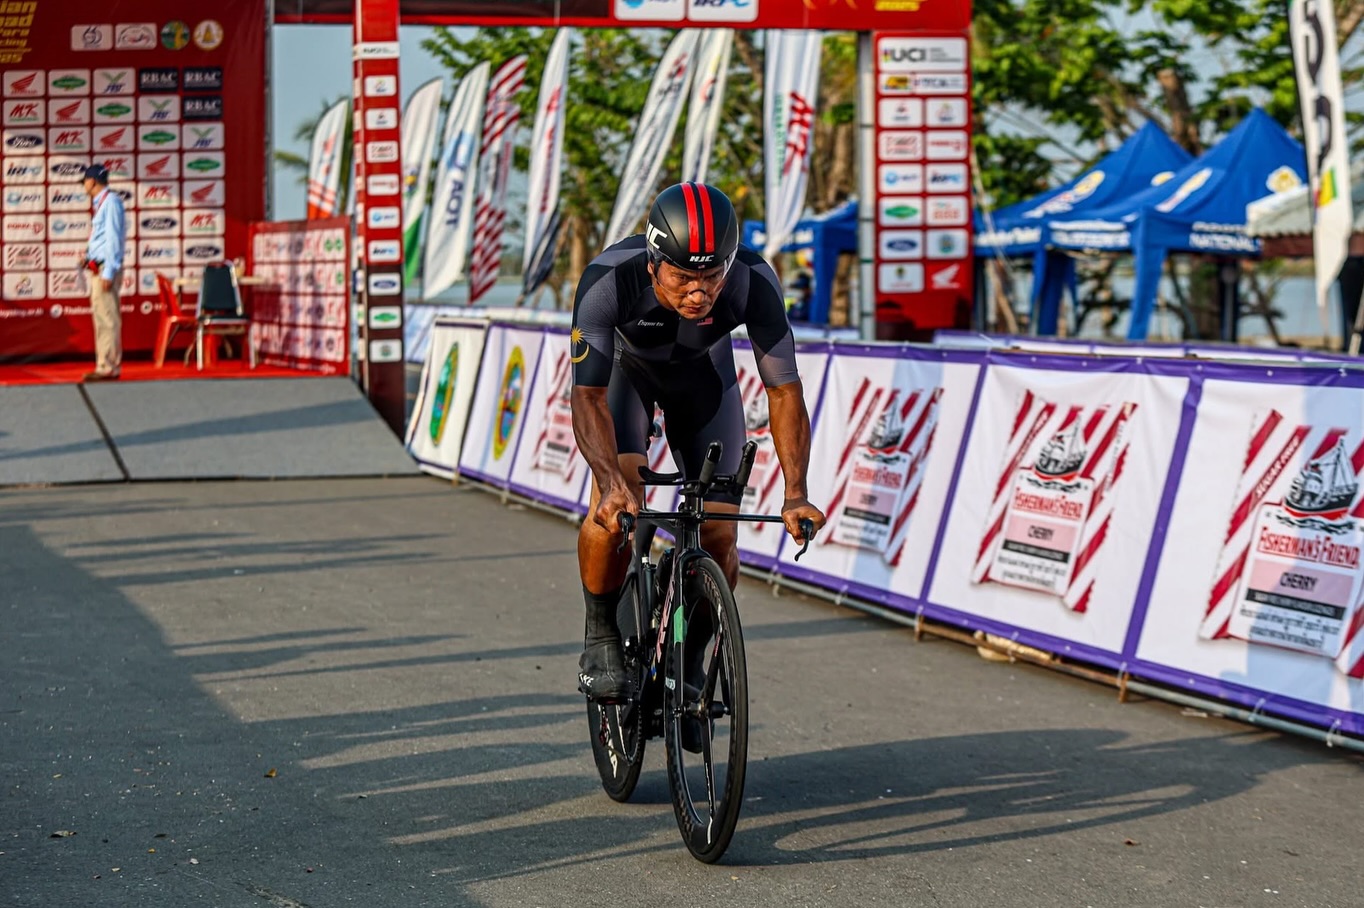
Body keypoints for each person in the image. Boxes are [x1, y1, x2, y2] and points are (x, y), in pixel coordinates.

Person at [569, 181, 827, 702]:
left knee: (717, 533)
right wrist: (610, 481)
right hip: (626, 378)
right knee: (615, 507)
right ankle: (600, 632)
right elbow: (588, 397)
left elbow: (783, 388)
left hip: (704, 380)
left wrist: (796, 491)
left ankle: (693, 652)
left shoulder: (753, 279)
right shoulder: (607, 280)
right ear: (652, 262)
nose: (698, 291)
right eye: (683, 276)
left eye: (711, 276)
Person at [80, 163, 127, 382]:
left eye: (85, 181)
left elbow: (114, 239)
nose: (83, 185)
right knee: (102, 317)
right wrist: (88, 257)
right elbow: (102, 238)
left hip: (105, 269)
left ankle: (108, 367)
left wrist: (108, 270)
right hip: (97, 267)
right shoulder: (102, 203)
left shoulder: (111, 202)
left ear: (91, 181)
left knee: (107, 318)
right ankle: (104, 364)